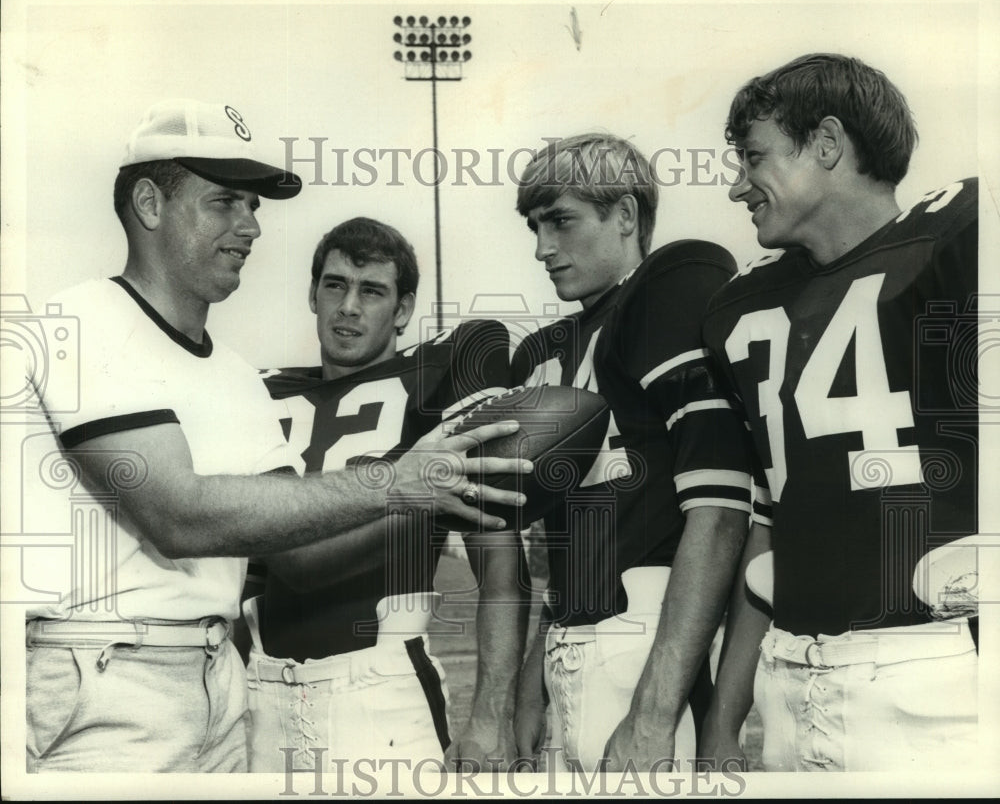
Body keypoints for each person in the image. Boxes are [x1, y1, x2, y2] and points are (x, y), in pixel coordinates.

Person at [22, 99, 529, 773]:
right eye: (227, 201)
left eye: (254, 206)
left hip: (232, 687)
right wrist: (395, 483)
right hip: (105, 669)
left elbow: (298, 556)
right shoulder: (79, 319)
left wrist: (429, 492)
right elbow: (175, 515)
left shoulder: (232, 374)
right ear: (149, 203)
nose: (252, 226)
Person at [700, 53, 978, 771]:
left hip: (927, 669)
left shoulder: (959, 240)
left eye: (753, 157)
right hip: (786, 676)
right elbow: (771, 521)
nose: (738, 186)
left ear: (826, 143)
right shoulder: (744, 307)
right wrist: (721, 726)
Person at [499, 133, 754, 773]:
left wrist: (655, 711)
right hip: (569, 633)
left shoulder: (671, 287)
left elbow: (722, 508)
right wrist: (535, 668)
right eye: (534, 226)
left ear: (627, 216)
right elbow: (575, 537)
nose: (542, 248)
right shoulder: (540, 352)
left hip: (646, 634)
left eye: (561, 220)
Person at [243, 216, 529, 773]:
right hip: (260, 689)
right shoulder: (261, 393)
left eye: (371, 290)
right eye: (335, 285)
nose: (348, 306)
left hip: (378, 689)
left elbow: (498, 558)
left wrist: (493, 712)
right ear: (312, 294)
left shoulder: (432, 382)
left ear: (402, 310)